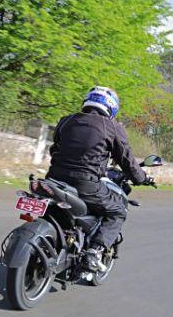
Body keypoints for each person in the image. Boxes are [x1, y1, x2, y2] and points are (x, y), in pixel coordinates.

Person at [46, 86, 153, 271]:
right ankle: (95, 251)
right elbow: (127, 161)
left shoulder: (66, 120)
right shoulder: (112, 127)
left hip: (53, 179)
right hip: (85, 184)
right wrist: (142, 178)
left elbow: (55, 149)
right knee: (118, 211)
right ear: (111, 107)